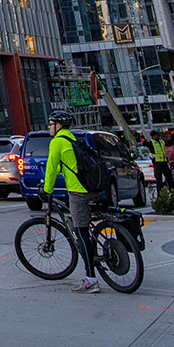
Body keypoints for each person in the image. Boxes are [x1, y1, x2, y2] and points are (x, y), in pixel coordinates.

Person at [44, 112, 100, 293]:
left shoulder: (57, 142)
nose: (49, 127)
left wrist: (46, 190)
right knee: (86, 229)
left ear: (58, 126)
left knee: (81, 232)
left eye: (51, 124)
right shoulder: (75, 141)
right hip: (93, 188)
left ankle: (91, 280)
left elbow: (52, 169)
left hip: (78, 192)